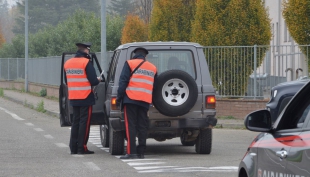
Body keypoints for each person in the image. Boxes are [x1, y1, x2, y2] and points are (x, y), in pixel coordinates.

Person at [117, 47, 157, 159]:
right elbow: (155, 86)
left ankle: (131, 152)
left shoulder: (129, 63)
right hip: (145, 100)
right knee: (142, 126)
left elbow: (123, 81)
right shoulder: (153, 67)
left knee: (131, 126)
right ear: (145, 56)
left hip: (130, 99)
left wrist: (119, 97)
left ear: (134, 55)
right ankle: (141, 152)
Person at [64, 42, 101, 155]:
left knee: (75, 122)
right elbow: (93, 81)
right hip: (85, 97)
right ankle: (82, 147)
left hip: (74, 97)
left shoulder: (68, 63)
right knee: (84, 122)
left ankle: (73, 148)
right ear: (86, 50)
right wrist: (98, 79)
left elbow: (67, 81)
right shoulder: (86, 62)